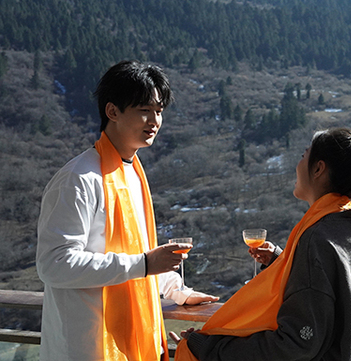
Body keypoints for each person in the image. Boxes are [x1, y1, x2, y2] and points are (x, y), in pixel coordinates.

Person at [36, 60, 219, 361]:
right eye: (144, 110)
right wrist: (145, 264)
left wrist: (177, 291)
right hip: (86, 347)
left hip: (131, 344)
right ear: (113, 111)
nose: (155, 121)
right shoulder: (79, 179)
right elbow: (54, 264)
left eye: (159, 111)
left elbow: (136, 254)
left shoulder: (132, 173)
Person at [173, 127, 351, 360]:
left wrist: (208, 348)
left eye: (304, 156)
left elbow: (295, 344)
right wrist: (283, 262)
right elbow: (337, 293)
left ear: (319, 169)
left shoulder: (317, 238)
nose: (298, 164)